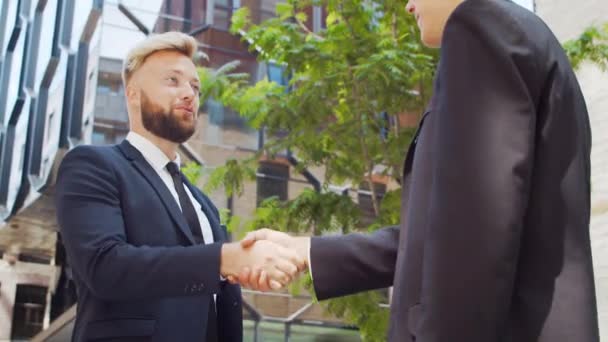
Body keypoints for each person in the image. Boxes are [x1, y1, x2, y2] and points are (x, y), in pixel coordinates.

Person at [237, 0, 601, 341]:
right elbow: (446, 233)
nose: (408, 4)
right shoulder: (519, 36)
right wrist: (307, 251)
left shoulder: (479, 28)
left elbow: (474, 231)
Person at [55, 31, 304, 342]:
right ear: (133, 94)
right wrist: (225, 259)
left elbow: (211, 285)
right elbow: (105, 268)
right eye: (172, 81)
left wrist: (239, 271)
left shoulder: (202, 203)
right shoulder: (93, 165)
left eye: (195, 86)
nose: (189, 93)